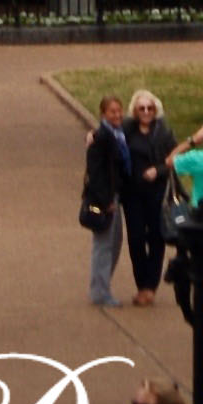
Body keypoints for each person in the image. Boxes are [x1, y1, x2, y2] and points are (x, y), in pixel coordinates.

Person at [119, 88, 177, 305]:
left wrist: (158, 170)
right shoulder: (127, 129)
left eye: (150, 108)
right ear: (135, 110)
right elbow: (108, 138)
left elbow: (174, 157)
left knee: (156, 238)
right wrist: (92, 136)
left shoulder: (164, 132)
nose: (146, 112)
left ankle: (150, 287)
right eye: (141, 108)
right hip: (132, 193)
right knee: (135, 239)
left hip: (156, 193)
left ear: (156, 110)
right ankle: (141, 283)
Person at [81, 92, 130, 306]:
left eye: (119, 110)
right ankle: (100, 292)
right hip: (105, 199)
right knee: (104, 244)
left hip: (116, 195)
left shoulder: (119, 133)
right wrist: (105, 200)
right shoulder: (102, 138)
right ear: (102, 114)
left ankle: (101, 286)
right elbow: (95, 173)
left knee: (115, 240)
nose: (117, 115)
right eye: (112, 111)